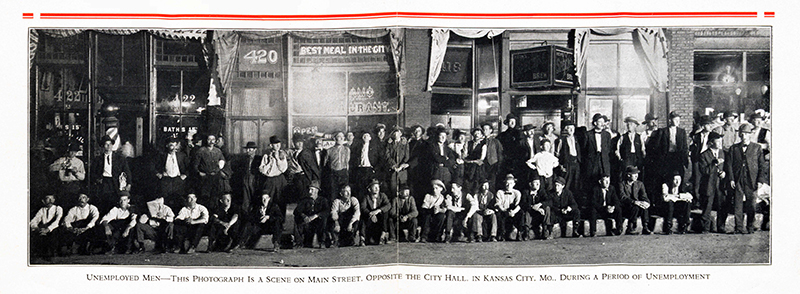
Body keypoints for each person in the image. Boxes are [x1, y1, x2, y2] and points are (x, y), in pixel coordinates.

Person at [723, 124, 768, 234]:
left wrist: (760, 181)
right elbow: (729, 165)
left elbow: (762, 165)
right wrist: (732, 179)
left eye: (746, 134)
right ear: (739, 135)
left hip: (751, 180)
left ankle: (750, 226)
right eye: (742, 134)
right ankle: (738, 228)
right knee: (738, 204)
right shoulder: (734, 148)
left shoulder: (756, 148)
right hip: (738, 179)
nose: (744, 136)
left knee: (751, 204)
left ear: (750, 135)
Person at [93, 135, 132, 214]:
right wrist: (97, 179)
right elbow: (93, 173)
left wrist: (129, 184)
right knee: (104, 202)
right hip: (104, 182)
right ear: (102, 146)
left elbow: (127, 171)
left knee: (116, 201)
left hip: (116, 182)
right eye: (106, 144)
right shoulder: (98, 159)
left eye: (110, 144)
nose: (108, 146)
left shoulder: (119, 158)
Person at [698, 132, 727, 233]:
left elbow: (726, 167)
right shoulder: (703, 155)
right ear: (710, 143)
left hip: (720, 185)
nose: (719, 143)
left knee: (722, 206)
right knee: (707, 207)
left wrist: (724, 173)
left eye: (720, 141)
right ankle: (704, 228)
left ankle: (721, 227)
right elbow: (704, 171)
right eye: (717, 141)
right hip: (708, 185)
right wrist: (714, 163)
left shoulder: (723, 153)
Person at [651, 111, 690, 185]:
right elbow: (657, 146)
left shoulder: (681, 132)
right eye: (676, 120)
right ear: (670, 120)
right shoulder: (663, 131)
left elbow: (685, 146)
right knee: (666, 176)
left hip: (678, 157)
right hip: (666, 157)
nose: (678, 122)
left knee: (678, 176)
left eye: (679, 120)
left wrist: (685, 158)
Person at [294, 181, 330, 248]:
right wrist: (304, 216)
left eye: (312, 190)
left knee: (323, 220)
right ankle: (299, 242)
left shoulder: (323, 200)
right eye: (309, 189)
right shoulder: (304, 200)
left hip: (318, 222)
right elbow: (297, 211)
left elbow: (326, 211)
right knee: (297, 219)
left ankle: (322, 242)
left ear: (317, 191)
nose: (310, 192)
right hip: (308, 223)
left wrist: (316, 215)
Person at [193, 134, 227, 206]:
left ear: (215, 141)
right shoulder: (201, 151)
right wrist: (199, 173)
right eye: (209, 139)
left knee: (215, 196)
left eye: (213, 139)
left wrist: (220, 166)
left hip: (215, 177)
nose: (211, 141)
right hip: (205, 178)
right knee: (205, 197)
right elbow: (195, 165)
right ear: (206, 140)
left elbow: (222, 160)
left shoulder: (218, 151)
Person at [155, 137, 188, 210]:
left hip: (178, 180)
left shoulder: (182, 155)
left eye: (175, 145)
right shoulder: (162, 155)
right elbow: (153, 166)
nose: (174, 148)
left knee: (178, 199)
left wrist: (185, 175)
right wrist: (158, 174)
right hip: (166, 180)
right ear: (167, 146)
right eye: (171, 145)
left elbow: (189, 167)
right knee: (166, 199)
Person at [582, 114, 612, 193]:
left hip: (603, 161)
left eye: (603, 122)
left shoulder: (607, 135)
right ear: (595, 123)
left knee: (604, 181)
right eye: (600, 122)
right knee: (591, 182)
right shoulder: (587, 134)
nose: (602, 124)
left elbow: (608, 149)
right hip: (591, 162)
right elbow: (584, 150)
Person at [259, 136, 289, 216]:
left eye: (279, 143)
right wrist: (270, 162)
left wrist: (277, 159)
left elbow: (283, 168)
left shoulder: (282, 154)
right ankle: (268, 220)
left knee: (281, 200)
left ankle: (281, 221)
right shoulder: (266, 155)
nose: (278, 145)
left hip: (280, 179)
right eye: (275, 144)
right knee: (269, 200)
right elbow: (262, 170)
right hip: (269, 180)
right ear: (271, 145)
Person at [618, 166, 651, 235]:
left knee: (644, 207)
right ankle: (630, 228)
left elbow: (644, 196)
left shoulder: (639, 184)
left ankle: (645, 227)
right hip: (626, 207)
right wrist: (634, 202)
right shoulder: (621, 184)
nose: (637, 176)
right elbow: (622, 197)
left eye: (637, 174)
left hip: (637, 206)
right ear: (628, 175)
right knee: (635, 207)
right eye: (634, 174)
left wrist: (647, 202)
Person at [691, 116, 716, 203]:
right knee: (697, 180)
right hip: (698, 160)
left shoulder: (713, 135)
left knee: (708, 180)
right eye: (708, 125)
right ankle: (697, 200)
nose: (710, 126)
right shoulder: (696, 136)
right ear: (703, 126)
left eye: (711, 124)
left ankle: (706, 201)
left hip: (708, 159)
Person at [30, 194, 63, 259]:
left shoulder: (58, 208)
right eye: (48, 198)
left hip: (54, 228)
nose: (50, 200)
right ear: (43, 201)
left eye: (52, 199)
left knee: (55, 233)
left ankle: (53, 253)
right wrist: (37, 228)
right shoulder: (42, 210)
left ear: (54, 200)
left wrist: (48, 229)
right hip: (43, 228)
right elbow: (34, 220)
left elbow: (57, 221)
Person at [555, 121, 582, 198]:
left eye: (572, 128)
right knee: (567, 183)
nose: (571, 130)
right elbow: (557, 154)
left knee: (576, 183)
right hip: (567, 164)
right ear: (565, 130)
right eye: (569, 129)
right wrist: (561, 166)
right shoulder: (561, 140)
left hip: (576, 163)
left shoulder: (577, 139)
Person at [360, 179, 391, 245]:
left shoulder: (382, 195)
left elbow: (388, 205)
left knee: (385, 213)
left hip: (380, 217)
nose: (377, 189)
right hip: (370, 217)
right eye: (375, 187)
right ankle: (362, 238)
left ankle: (382, 236)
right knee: (362, 218)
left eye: (378, 187)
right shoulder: (366, 197)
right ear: (369, 189)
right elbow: (363, 207)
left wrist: (378, 210)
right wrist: (370, 214)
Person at [615, 117, 646, 182]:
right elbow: (617, 149)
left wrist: (643, 158)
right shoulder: (623, 137)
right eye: (628, 124)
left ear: (635, 126)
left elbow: (643, 149)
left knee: (638, 176)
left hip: (637, 159)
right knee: (626, 176)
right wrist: (620, 158)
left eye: (631, 124)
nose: (629, 126)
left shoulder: (639, 137)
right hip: (627, 159)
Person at [351, 132, 380, 199]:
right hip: (360, 169)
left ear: (370, 138)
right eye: (364, 135)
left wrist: (375, 169)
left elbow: (379, 159)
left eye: (367, 135)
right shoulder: (358, 147)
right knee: (360, 188)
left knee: (369, 188)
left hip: (369, 169)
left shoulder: (374, 147)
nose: (365, 137)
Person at [234, 141, 262, 212]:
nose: (248, 151)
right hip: (245, 178)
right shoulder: (244, 159)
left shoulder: (259, 158)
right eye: (247, 149)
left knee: (254, 195)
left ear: (255, 149)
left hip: (254, 179)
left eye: (250, 149)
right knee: (245, 196)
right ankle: (246, 212)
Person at [494, 174, 523, 241]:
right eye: (507, 183)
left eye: (511, 183)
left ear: (514, 184)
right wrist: (504, 211)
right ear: (504, 183)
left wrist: (513, 212)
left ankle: (520, 233)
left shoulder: (517, 193)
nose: (509, 185)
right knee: (498, 214)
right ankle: (502, 233)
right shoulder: (500, 192)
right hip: (503, 211)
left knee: (521, 213)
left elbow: (518, 205)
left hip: (513, 211)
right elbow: (498, 204)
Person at [385, 126, 409, 202]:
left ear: (401, 133)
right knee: (393, 189)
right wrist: (394, 166)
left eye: (397, 132)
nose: (395, 134)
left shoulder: (405, 143)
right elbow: (387, 155)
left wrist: (401, 166)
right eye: (394, 133)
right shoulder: (389, 143)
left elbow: (407, 156)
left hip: (402, 171)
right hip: (393, 170)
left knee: (403, 189)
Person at [325, 132, 350, 200]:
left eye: (343, 137)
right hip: (333, 173)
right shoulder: (329, 150)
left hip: (343, 173)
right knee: (333, 193)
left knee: (344, 192)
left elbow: (347, 162)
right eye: (339, 136)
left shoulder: (347, 150)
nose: (342, 138)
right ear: (334, 138)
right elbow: (325, 164)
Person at [463, 128, 487, 194]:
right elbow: (465, 155)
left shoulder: (483, 145)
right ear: (473, 134)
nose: (477, 135)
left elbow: (482, 158)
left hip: (477, 166)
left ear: (481, 135)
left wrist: (473, 161)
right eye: (475, 133)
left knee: (475, 182)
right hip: (468, 164)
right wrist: (467, 160)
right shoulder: (468, 143)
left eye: (478, 133)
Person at [481, 122, 504, 192]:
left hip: (493, 166)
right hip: (483, 166)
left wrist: (498, 167)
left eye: (486, 129)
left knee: (492, 185)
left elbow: (500, 155)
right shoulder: (481, 142)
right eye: (483, 129)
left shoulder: (496, 141)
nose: (485, 131)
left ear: (491, 130)